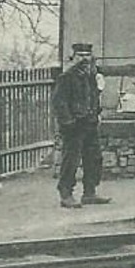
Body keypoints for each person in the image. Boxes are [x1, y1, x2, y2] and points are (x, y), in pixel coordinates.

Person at [52, 42, 109, 208]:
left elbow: (94, 98)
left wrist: (97, 113)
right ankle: (66, 194)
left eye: (87, 55)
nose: (84, 59)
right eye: (80, 56)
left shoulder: (92, 77)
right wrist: (68, 122)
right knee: (71, 160)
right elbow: (59, 102)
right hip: (74, 126)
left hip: (90, 123)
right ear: (74, 57)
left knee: (94, 159)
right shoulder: (66, 77)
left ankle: (89, 193)